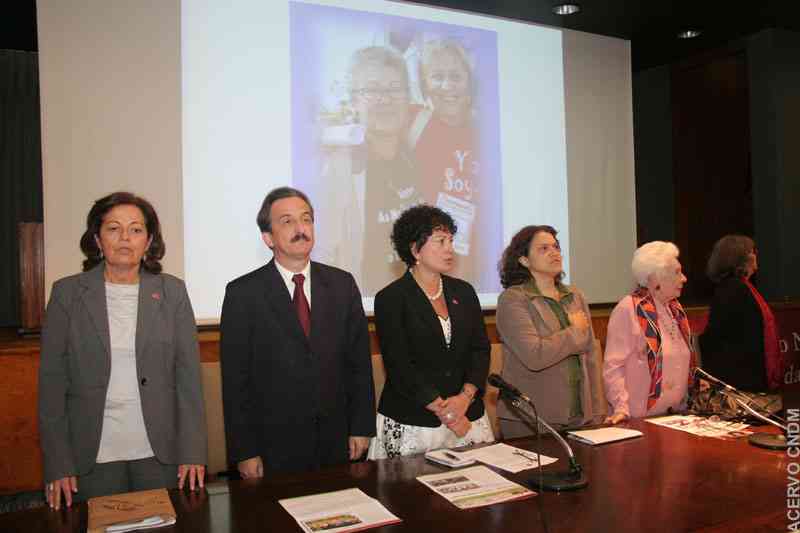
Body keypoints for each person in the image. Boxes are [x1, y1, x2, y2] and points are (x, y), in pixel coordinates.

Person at [38, 192, 207, 510]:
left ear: (149, 240)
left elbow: (189, 383)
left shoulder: (172, 292)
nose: (125, 238)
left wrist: (193, 452)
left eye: (136, 229)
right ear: (97, 240)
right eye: (114, 229)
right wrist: (58, 462)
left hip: (160, 454)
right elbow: (51, 387)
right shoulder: (67, 294)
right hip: (90, 456)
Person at [220, 186, 375, 477]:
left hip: (336, 440)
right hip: (272, 447)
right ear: (268, 237)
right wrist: (244, 450)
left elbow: (359, 366)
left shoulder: (342, 284)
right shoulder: (243, 293)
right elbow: (235, 382)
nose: (300, 228)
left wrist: (362, 427)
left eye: (306, 219)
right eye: (287, 221)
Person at [367, 205, 494, 459]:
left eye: (450, 241)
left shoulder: (464, 292)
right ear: (415, 249)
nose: (450, 249)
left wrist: (465, 398)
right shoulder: (391, 298)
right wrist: (444, 410)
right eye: (440, 241)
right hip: (414, 420)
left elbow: (480, 350)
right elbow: (399, 365)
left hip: (467, 416)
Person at [315, 45, 425, 296]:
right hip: (365, 309)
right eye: (372, 90)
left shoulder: (418, 155)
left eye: (394, 90)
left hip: (418, 303)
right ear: (354, 100)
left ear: (408, 97)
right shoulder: (338, 168)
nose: (385, 100)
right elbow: (324, 254)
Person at [494, 226, 605, 437]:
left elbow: (590, 355)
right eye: (543, 248)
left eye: (555, 246)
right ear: (524, 260)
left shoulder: (574, 295)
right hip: (531, 419)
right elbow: (534, 355)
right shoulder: (513, 299)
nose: (554, 252)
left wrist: (598, 410)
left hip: (580, 415)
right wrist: (574, 332)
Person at [409, 39, 481, 283]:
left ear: (469, 82)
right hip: (426, 258)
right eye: (437, 76)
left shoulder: (487, 130)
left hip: (478, 259)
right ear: (424, 84)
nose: (447, 85)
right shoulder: (413, 123)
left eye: (455, 76)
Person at [603, 241, 697, 423]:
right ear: (656, 277)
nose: (684, 278)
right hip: (639, 418)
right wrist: (621, 407)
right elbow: (613, 366)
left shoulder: (676, 310)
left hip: (675, 417)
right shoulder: (629, 309)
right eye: (677, 272)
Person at [699, 235, 782, 392]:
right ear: (738, 258)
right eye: (752, 251)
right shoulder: (732, 289)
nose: (756, 254)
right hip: (739, 380)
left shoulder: (741, 286)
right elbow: (716, 337)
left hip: (746, 376)